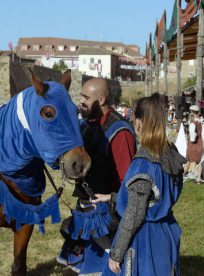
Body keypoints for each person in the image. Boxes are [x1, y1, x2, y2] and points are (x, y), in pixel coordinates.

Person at [93, 93, 186, 276]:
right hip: (167, 233)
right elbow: (151, 200)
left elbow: (134, 215)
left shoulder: (144, 163)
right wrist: (113, 198)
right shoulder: (170, 154)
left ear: (139, 123)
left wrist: (117, 253)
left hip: (144, 239)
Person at [57, 78, 137, 275]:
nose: (81, 101)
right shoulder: (87, 125)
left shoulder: (120, 131)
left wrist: (110, 205)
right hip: (86, 210)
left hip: (106, 217)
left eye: (86, 97)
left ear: (101, 99)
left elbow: (126, 180)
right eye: (81, 96)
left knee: (104, 270)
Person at [184, 105, 204, 184]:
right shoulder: (203, 121)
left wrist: (192, 140)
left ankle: (182, 175)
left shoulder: (193, 122)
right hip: (201, 144)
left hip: (194, 144)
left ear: (192, 112)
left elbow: (192, 135)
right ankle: (198, 179)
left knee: (188, 159)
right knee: (200, 161)